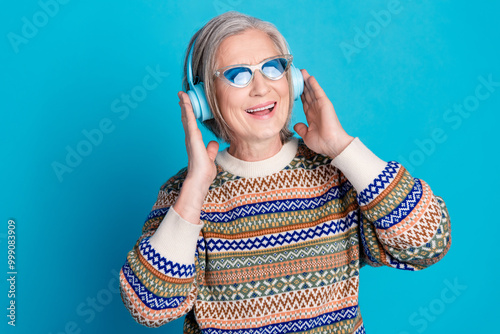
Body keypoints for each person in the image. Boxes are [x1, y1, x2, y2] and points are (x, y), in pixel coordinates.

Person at [119, 11, 451, 334]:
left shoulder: (338, 174)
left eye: (273, 68)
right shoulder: (184, 193)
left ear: (291, 81)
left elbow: (429, 244)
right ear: (205, 98)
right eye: (238, 74)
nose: (261, 88)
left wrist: (343, 148)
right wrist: (194, 191)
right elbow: (150, 308)